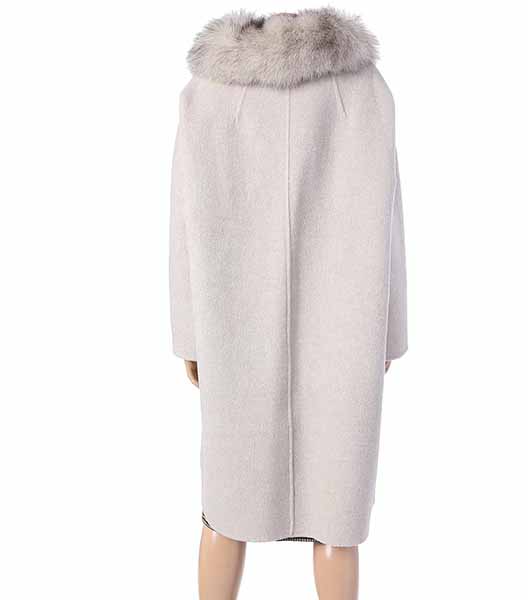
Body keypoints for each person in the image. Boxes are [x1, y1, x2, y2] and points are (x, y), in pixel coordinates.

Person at [170, 9, 408, 599]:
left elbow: (183, 225)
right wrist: (389, 330)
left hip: (233, 326)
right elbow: (390, 223)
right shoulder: (363, 90)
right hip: (346, 326)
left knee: (227, 504)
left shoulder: (209, 94)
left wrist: (189, 334)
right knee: (337, 517)